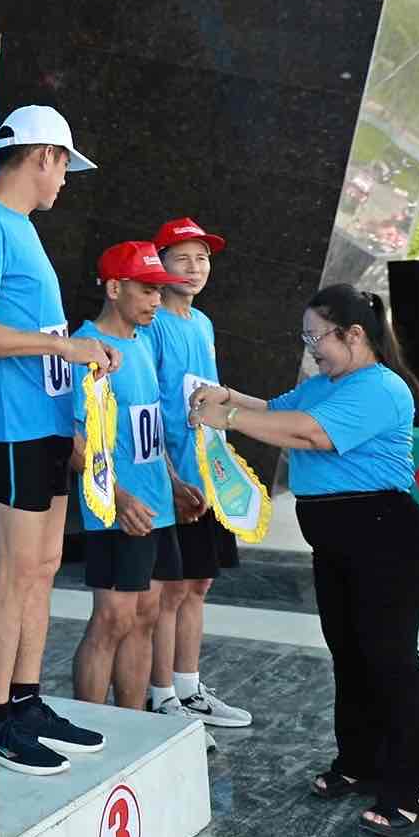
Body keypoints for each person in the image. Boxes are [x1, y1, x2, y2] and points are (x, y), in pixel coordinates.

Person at [190, 283, 419, 837]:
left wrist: (225, 419)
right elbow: (275, 411)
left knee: (390, 660)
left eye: (316, 337)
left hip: (383, 538)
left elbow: (311, 434)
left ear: (354, 335)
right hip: (339, 542)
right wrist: (225, 396)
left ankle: (416, 783)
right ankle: (361, 761)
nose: (311, 349)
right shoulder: (324, 385)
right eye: (306, 338)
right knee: (348, 656)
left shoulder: (381, 388)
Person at [0, 104, 117, 775]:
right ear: (43, 155)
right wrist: (66, 348)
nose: (65, 181)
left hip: (41, 423)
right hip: (8, 426)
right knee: (14, 570)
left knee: (42, 569)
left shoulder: (18, 228)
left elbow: (36, 336)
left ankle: (24, 699)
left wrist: (79, 356)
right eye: (64, 167)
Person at [141, 218, 252, 730]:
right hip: (173, 484)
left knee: (199, 584)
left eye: (202, 258)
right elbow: (149, 406)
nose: (194, 268)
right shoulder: (154, 322)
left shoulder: (203, 324)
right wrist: (172, 479)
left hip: (209, 479)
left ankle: (190, 688)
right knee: (170, 589)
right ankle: (161, 694)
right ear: (158, 264)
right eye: (182, 258)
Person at [68, 242, 186, 712]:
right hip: (118, 510)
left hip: (156, 505)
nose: (156, 300)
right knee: (113, 619)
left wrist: (175, 483)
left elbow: (148, 427)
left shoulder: (143, 342)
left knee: (147, 616)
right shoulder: (87, 347)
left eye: (160, 290)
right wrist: (117, 497)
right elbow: (74, 442)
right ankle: (91, 724)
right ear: (115, 288)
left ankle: (132, 729)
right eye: (147, 289)